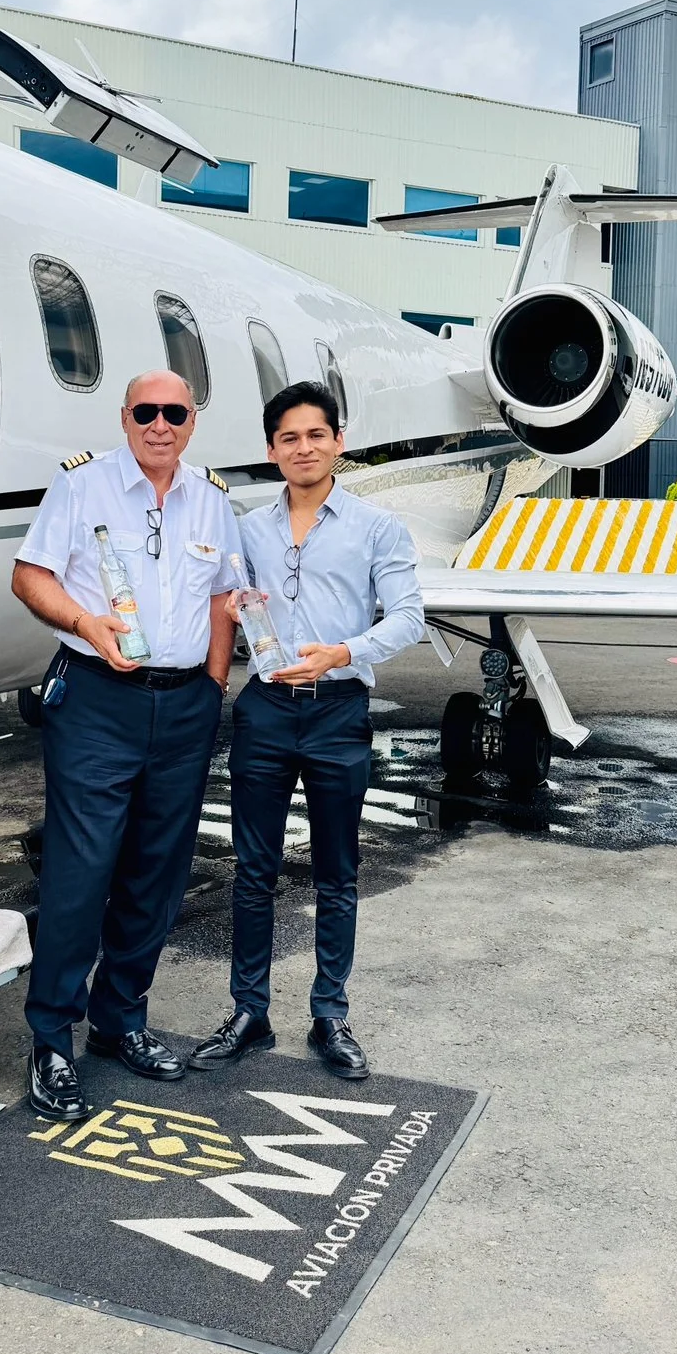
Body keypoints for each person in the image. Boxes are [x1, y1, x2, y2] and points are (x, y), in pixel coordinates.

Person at [12, 370, 238, 1121]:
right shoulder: (83, 485)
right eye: (146, 411)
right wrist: (85, 623)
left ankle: (119, 1019)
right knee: (81, 872)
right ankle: (52, 1040)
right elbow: (29, 576)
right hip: (97, 702)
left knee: (158, 872)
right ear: (125, 417)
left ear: (191, 421)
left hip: (184, 706)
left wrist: (211, 687)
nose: (159, 424)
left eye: (174, 412)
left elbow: (221, 598)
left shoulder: (212, 498)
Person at [189, 380, 424, 1082]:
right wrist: (232, 615)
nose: (303, 448)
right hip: (264, 708)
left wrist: (343, 652)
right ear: (272, 449)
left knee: (336, 872)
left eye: (316, 434)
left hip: (337, 709)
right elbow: (224, 602)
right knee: (253, 870)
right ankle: (249, 1012)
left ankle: (330, 1014)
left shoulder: (377, 527)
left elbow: (408, 617)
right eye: (288, 438)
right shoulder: (249, 529)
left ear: (338, 442)